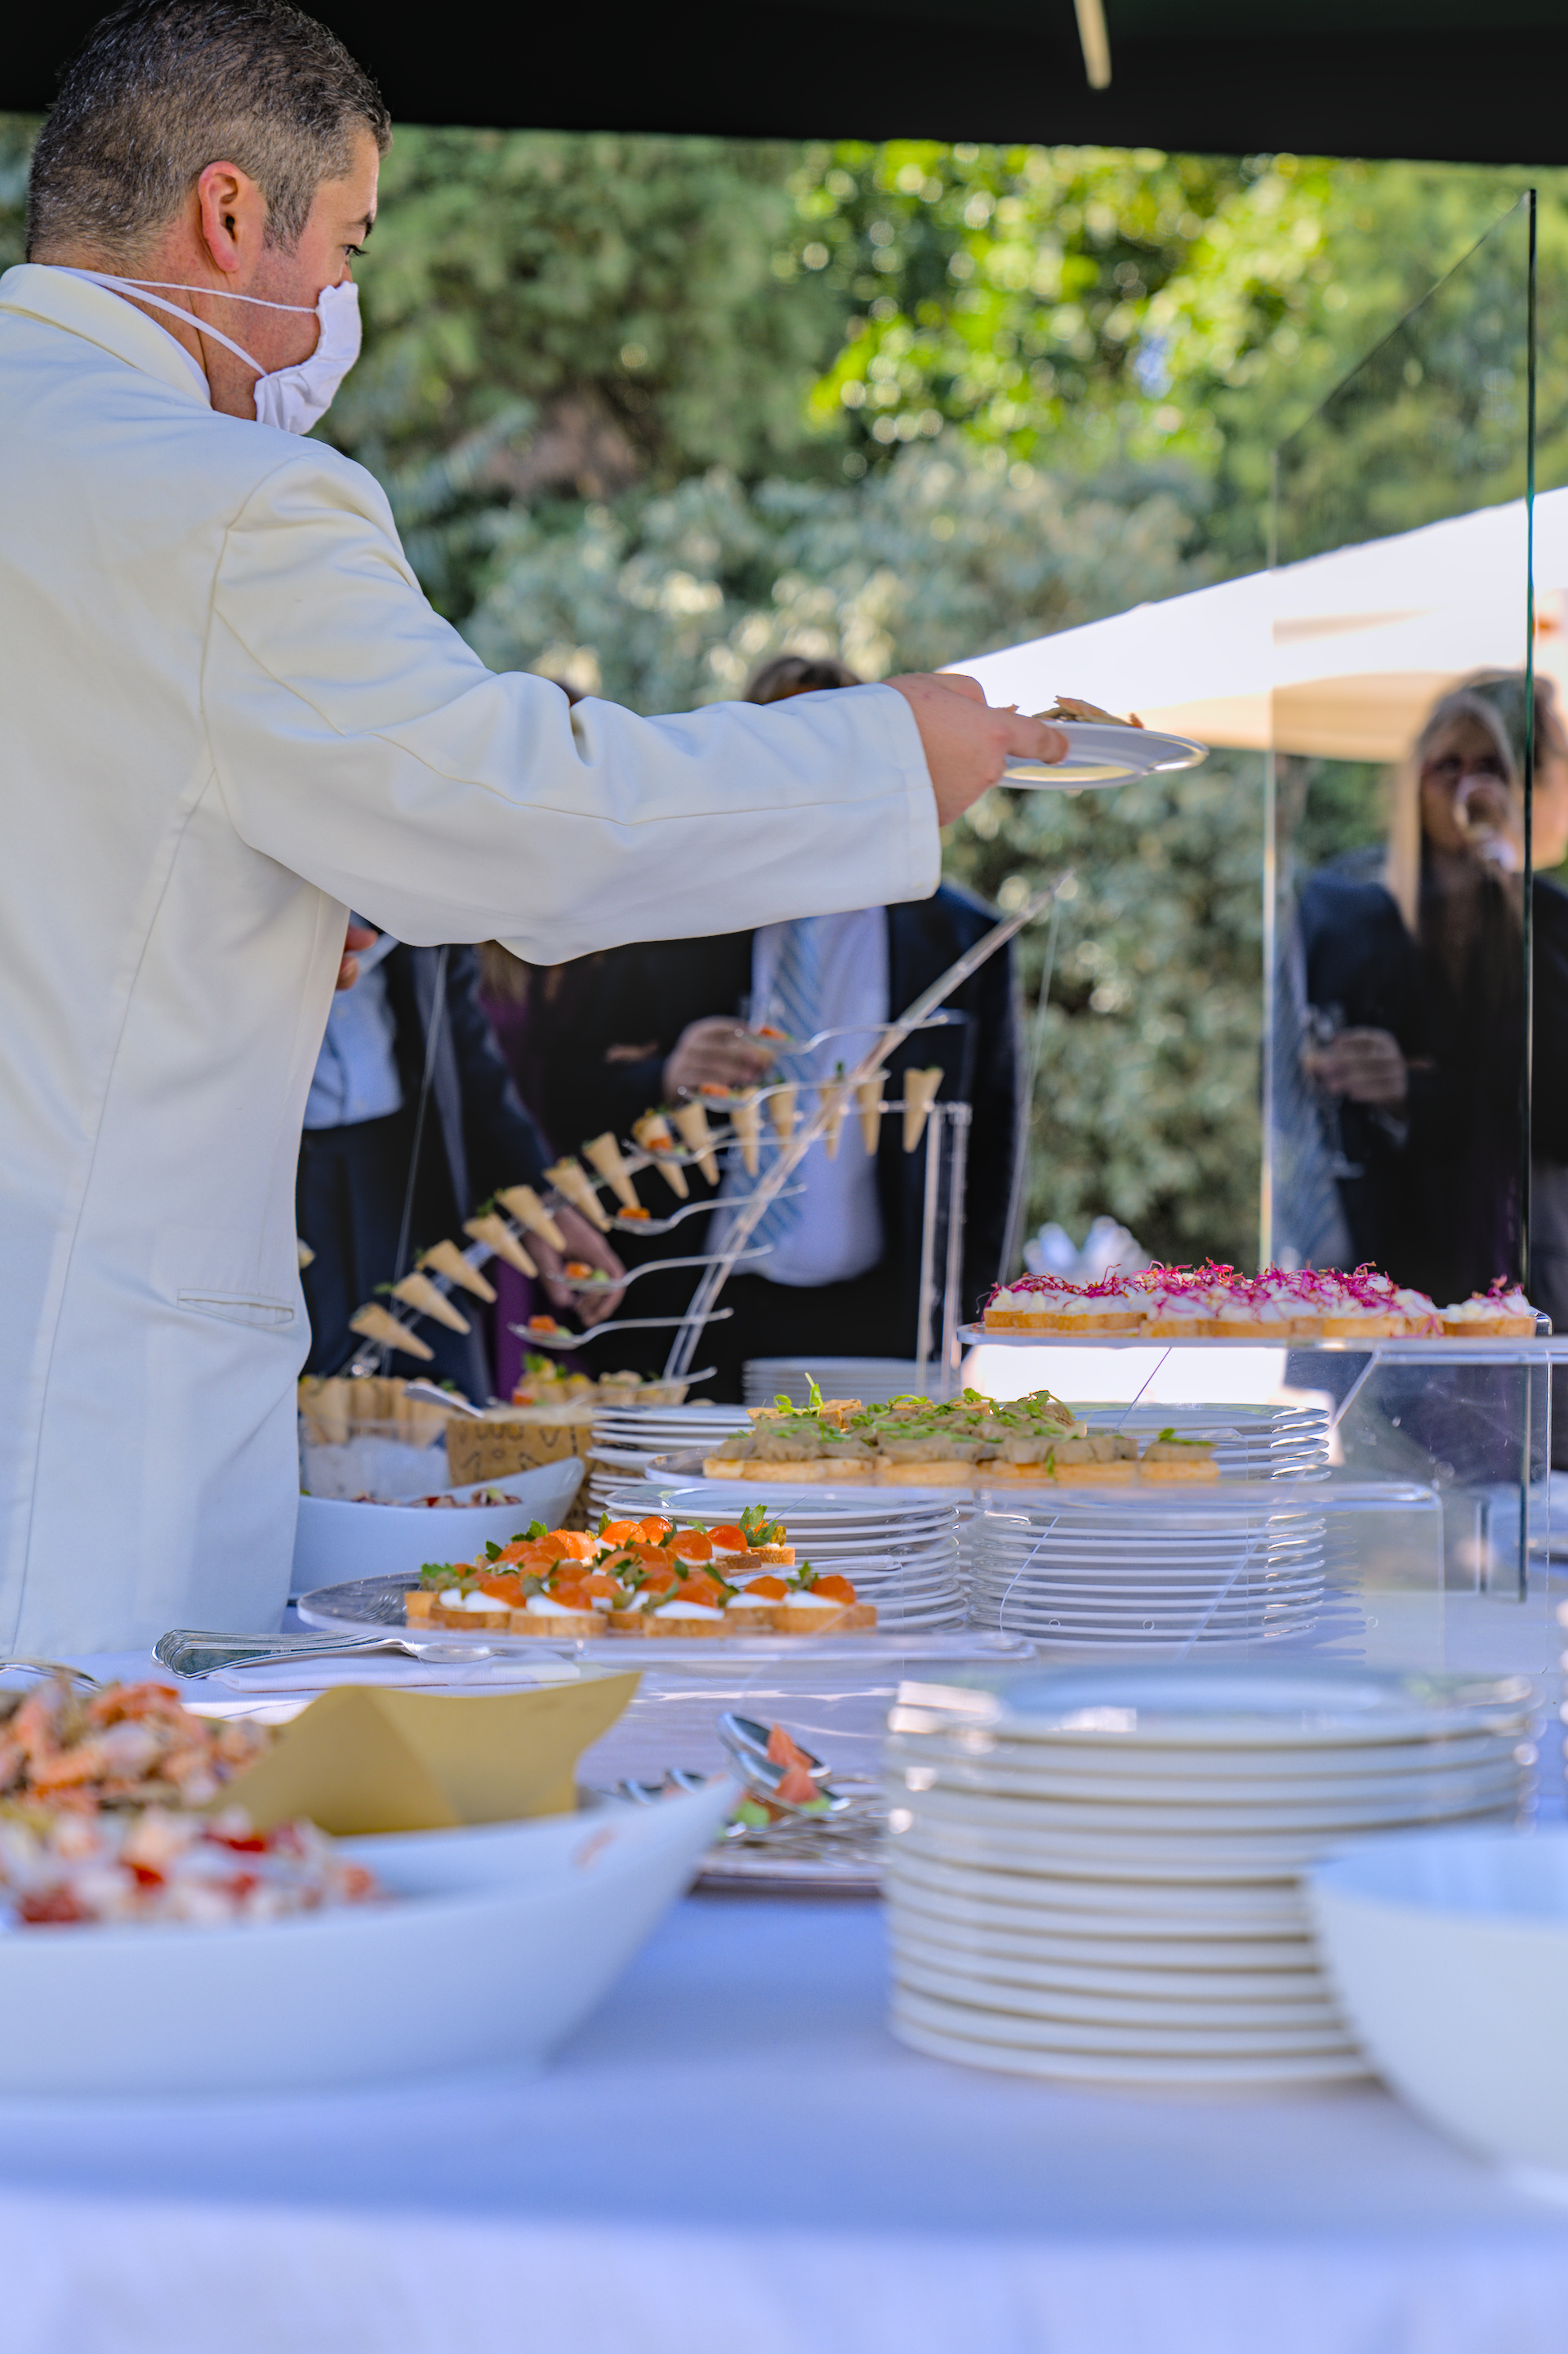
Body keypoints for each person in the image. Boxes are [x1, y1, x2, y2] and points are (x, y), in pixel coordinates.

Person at [0, 0, 1063, 1649]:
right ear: (228, 213)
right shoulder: (230, 506)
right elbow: (526, 822)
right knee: (94, 1798)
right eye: (346, 245)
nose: (341, 305)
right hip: (76, 1430)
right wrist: (883, 755)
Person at [497, 654, 1021, 1399]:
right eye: (783, 753)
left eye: (830, 751)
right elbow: (565, 1089)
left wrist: (958, 1315)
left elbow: (994, 1144)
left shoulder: (963, 939)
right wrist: (663, 1076)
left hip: (881, 1320)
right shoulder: (671, 913)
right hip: (686, 1313)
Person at [1295, 671, 1568, 1322]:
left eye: (1490, 766)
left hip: (1522, 1259)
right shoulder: (1350, 911)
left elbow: (1551, 1091)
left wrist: (1509, 882)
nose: (1469, 784)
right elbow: (1296, 1088)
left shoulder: (1548, 918)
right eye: (1448, 765)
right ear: (1412, 782)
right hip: (1386, 1260)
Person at [298, 925, 623, 1395]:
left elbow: (464, 1043)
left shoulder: (421, 886)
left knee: (443, 1401)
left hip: (406, 1173)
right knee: (299, 1404)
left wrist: (542, 1200)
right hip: (273, 1180)